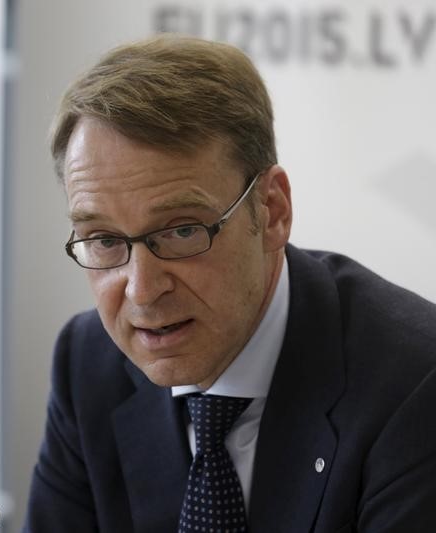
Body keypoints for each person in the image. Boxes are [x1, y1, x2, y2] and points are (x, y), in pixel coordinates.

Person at [23, 34, 436, 532]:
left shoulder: (414, 382)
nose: (142, 290)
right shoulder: (88, 364)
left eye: (181, 230)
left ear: (273, 211)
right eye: (104, 239)